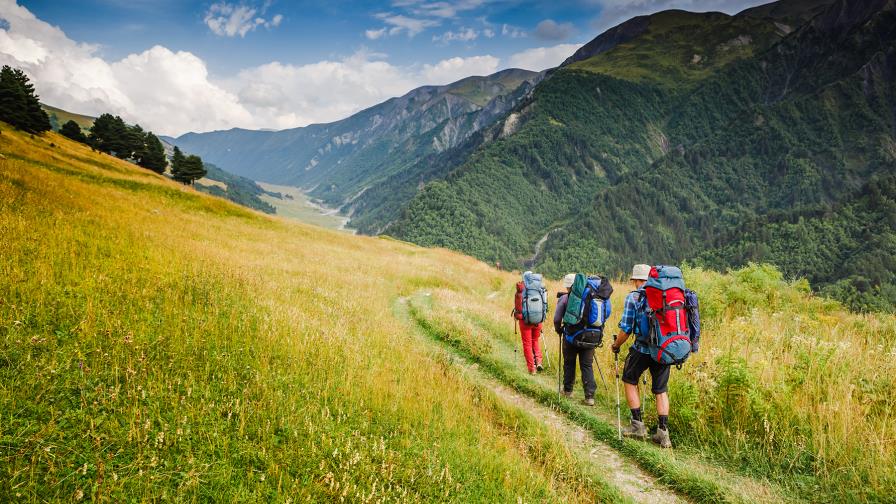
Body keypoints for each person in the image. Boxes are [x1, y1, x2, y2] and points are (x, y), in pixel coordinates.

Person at [611, 264, 673, 448]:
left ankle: (638, 426)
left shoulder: (634, 297)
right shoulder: (666, 295)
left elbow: (626, 329)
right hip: (663, 350)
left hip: (642, 349)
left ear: (637, 280)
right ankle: (663, 433)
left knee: (630, 379)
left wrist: (615, 345)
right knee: (661, 389)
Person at [555, 273, 597, 406]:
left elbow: (557, 319)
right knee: (586, 365)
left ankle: (568, 391)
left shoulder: (565, 298)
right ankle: (589, 397)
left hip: (571, 336)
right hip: (590, 336)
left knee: (569, 363)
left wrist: (559, 329)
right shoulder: (593, 297)